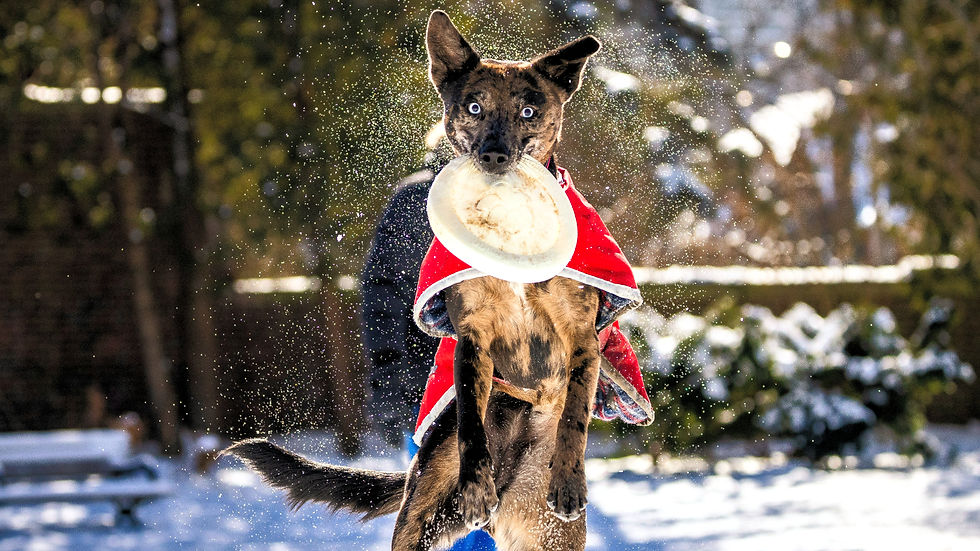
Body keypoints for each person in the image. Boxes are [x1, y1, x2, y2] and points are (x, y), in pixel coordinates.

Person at [361, 124, 497, 550]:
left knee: (433, 508)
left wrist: (387, 378)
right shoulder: (493, 202)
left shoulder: (408, 200)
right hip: (477, 384)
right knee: (482, 505)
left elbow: (381, 297)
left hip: (424, 388)